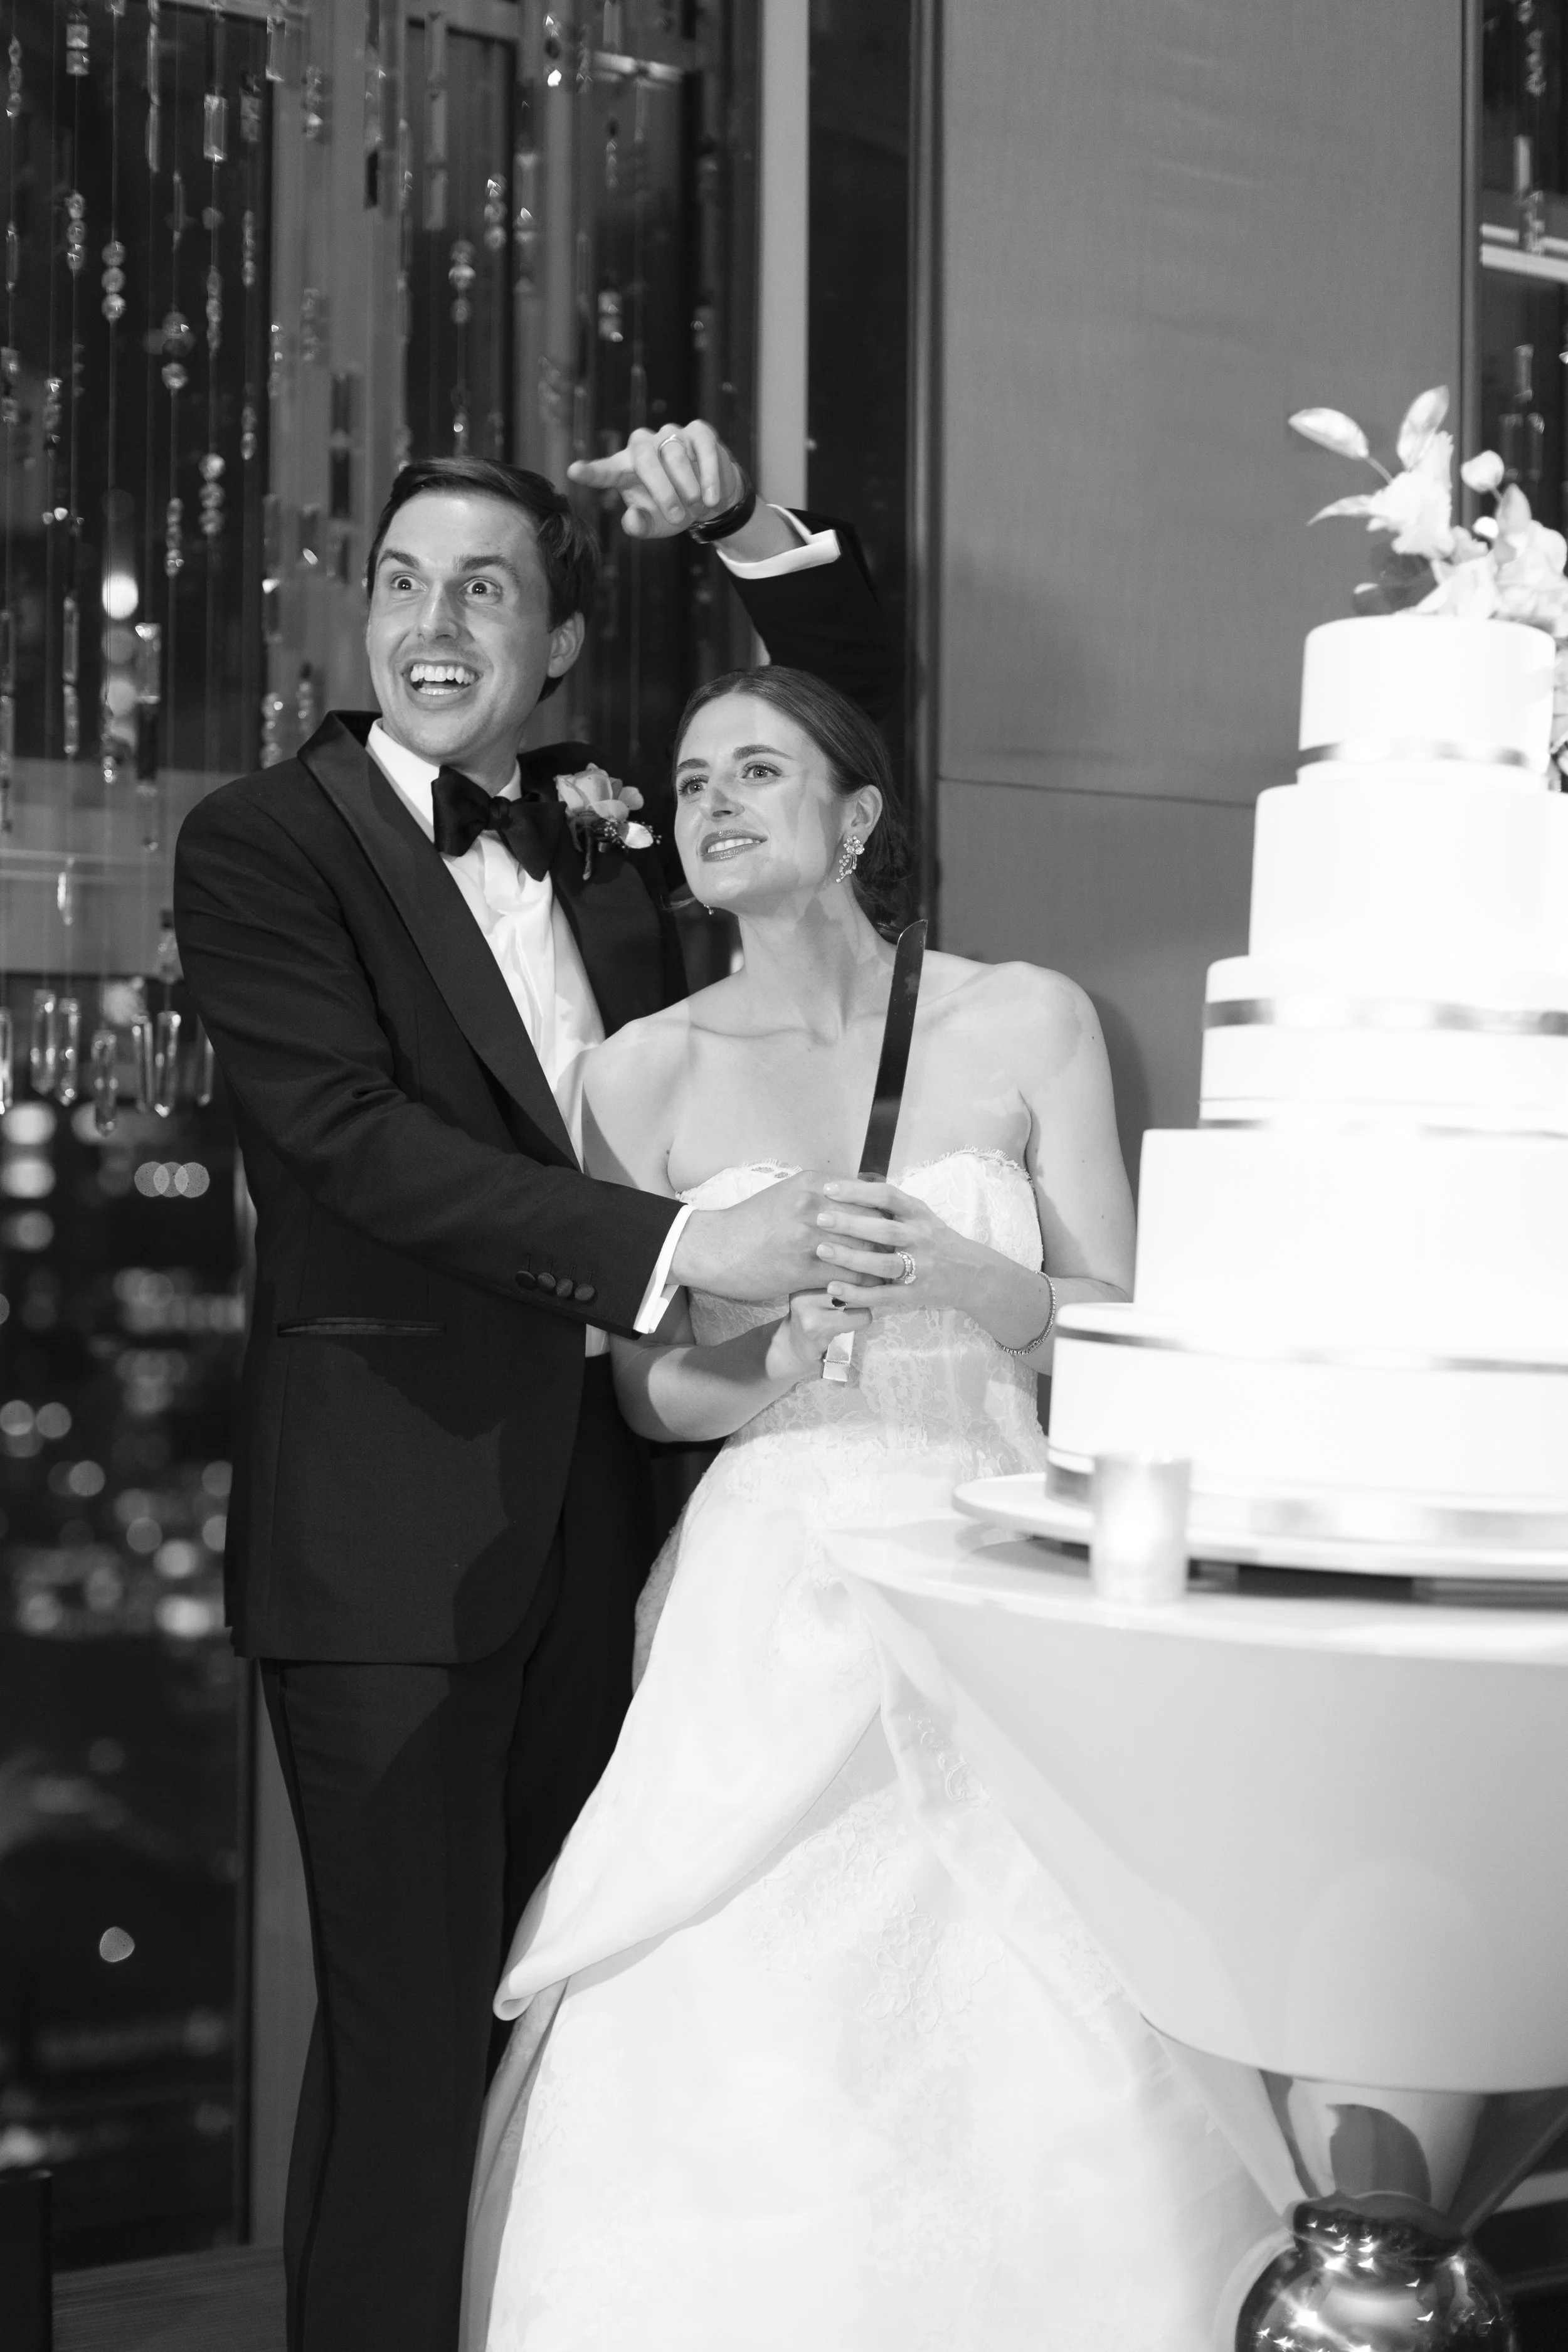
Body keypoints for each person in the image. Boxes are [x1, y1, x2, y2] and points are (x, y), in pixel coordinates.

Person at [172, 425, 899, 2352]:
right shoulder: (266, 840)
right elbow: (351, 1139)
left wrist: (741, 522)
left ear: (559, 643)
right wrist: (681, 1246)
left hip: (622, 1516)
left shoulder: (605, 826)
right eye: (405, 580)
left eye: (486, 588)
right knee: (411, 2048)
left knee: (567, 2022)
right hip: (389, 1538)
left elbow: (846, 727)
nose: (435, 620)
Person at [463, 667, 1272, 2351]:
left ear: (860, 815)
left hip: (993, 1557)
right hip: (768, 1588)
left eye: (758, 769)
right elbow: (649, 1395)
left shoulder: (1027, 1018)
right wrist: (773, 1357)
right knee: (738, 1992)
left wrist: (984, 1281)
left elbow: (1117, 1330)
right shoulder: (635, 1075)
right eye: (693, 780)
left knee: (1038, 1979)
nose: (714, 802)